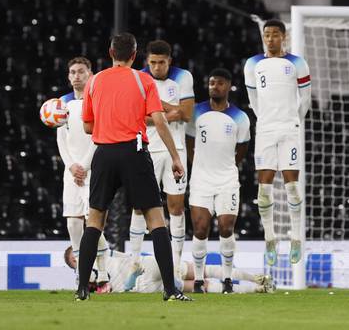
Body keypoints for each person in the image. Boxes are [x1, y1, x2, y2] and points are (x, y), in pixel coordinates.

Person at [75, 32, 191, 302]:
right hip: (133, 151)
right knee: (155, 219)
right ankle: (170, 290)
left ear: (110, 52)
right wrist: (175, 157)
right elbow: (160, 121)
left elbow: (87, 126)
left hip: (103, 153)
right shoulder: (143, 80)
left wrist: (108, 122)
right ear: (135, 54)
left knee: (95, 220)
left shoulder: (95, 81)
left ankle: (82, 289)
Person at [244, 19, 312, 265]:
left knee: (292, 186)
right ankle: (270, 239)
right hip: (265, 129)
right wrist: (265, 119)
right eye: (266, 35)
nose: (270, 39)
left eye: (274, 35)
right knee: (264, 190)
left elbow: (305, 99)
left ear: (284, 37)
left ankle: (295, 238)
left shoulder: (297, 63)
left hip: (289, 129)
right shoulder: (253, 64)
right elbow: (253, 98)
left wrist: (294, 120)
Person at [129, 40, 194, 276]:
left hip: (175, 149)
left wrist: (154, 106)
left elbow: (186, 114)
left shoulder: (183, 77)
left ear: (170, 61)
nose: (157, 67)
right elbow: (134, 116)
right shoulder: (137, 77)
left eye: (162, 63)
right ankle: (134, 260)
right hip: (147, 149)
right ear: (147, 61)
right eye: (153, 62)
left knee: (176, 206)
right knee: (139, 205)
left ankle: (176, 262)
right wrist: (168, 111)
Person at [185, 68, 250, 293]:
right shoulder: (195, 112)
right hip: (201, 180)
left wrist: (225, 165)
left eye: (220, 83)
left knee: (226, 227)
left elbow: (242, 148)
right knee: (200, 228)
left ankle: (228, 278)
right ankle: (199, 279)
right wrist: (199, 164)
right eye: (212, 83)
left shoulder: (240, 117)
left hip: (227, 180)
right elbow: (189, 141)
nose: (215, 86)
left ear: (228, 86)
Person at [57, 56, 110, 293]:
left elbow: (98, 136)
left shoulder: (97, 100)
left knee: (93, 221)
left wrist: (85, 166)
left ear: (90, 74)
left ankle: (104, 270)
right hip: (72, 171)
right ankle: (83, 272)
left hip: (94, 169)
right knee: (73, 221)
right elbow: (61, 140)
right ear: (68, 77)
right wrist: (71, 167)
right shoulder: (61, 104)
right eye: (72, 72)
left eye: (81, 71)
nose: (76, 76)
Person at [64, 246, 275, 294]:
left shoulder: (102, 257)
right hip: (143, 276)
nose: (78, 258)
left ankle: (257, 284)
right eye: (74, 258)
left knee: (198, 280)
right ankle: (257, 282)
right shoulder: (89, 269)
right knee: (200, 277)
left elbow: (124, 256)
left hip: (141, 280)